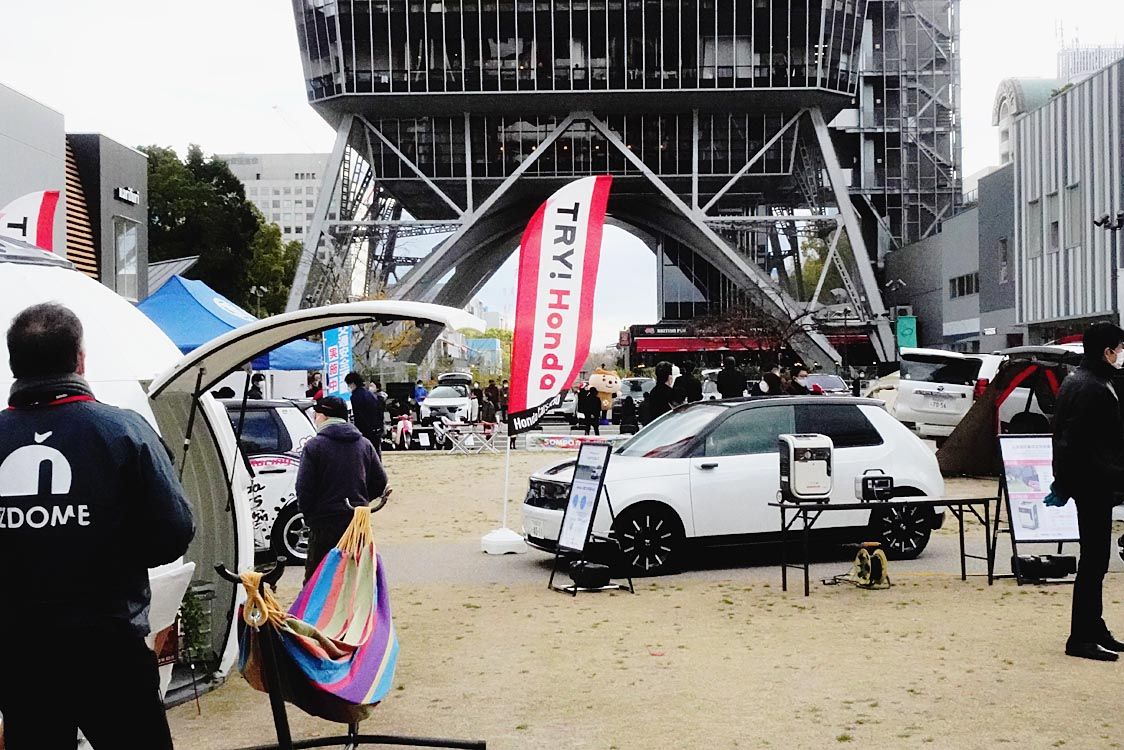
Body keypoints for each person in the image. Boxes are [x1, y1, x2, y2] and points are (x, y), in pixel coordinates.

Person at [0, 303, 195, 749]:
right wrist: (108, 551)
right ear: (80, 360)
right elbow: (174, 530)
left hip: (18, 651)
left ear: (15, 364)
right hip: (110, 644)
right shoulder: (123, 431)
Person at [1050, 322, 1124, 661]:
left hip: (1091, 481)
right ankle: (1081, 636)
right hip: (1093, 483)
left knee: (1096, 560)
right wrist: (1065, 482)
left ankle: (1093, 627)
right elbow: (1076, 442)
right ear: (1107, 351)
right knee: (1094, 561)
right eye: (1118, 349)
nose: (1120, 355)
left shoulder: (1079, 380)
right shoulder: (1092, 386)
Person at [297, 396, 387, 582]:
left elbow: (304, 488)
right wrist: (361, 501)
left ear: (324, 416)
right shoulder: (364, 444)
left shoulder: (314, 446)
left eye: (316, 414)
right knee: (353, 578)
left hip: (324, 522)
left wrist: (310, 515)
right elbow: (380, 481)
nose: (315, 418)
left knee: (318, 580)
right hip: (357, 521)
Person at [346, 372, 385, 457]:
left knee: (365, 454)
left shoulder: (355, 396)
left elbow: (358, 416)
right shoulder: (371, 394)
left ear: (352, 383)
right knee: (375, 453)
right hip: (376, 428)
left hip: (365, 430)